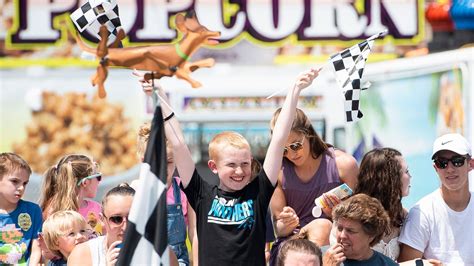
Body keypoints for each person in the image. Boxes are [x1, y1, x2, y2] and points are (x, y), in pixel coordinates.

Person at [141, 67, 320, 265]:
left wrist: (295, 89)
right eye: (231, 164)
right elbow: (179, 144)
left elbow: (278, 140)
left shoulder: (258, 192)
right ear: (213, 166)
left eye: (245, 163)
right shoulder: (202, 194)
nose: (239, 171)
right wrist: (160, 94)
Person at [268, 107, 358, 263]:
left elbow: (360, 218)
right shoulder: (278, 171)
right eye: (283, 150)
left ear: (308, 133)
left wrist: (335, 213)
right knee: (322, 226)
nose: (291, 154)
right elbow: (279, 230)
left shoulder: (344, 165)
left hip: (336, 243)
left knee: (323, 226)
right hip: (291, 247)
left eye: (295, 145)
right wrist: (287, 222)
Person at [399, 133, 474, 265]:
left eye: (457, 161)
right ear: (436, 168)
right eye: (442, 163)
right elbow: (408, 264)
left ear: (471, 164)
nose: (450, 169)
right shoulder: (422, 213)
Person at [131, 122, 197, 266]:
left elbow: (194, 232)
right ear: (143, 161)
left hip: (179, 261)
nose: (163, 168)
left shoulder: (184, 190)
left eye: (168, 162)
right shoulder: (134, 192)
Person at [348, 147, 411, 260]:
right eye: (406, 171)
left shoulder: (403, 215)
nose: (410, 176)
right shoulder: (354, 214)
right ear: (389, 179)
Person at [68, 183, 134, 265]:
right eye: (116, 219)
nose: (125, 227)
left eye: (132, 218)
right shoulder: (83, 254)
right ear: (102, 219)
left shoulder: (152, 249)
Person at [323, 194, 397, 266]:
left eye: (350, 231)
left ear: (371, 236)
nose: (342, 236)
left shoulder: (387, 264)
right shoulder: (319, 257)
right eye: (340, 228)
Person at [40, 154, 103, 235]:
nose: (99, 181)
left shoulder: (97, 208)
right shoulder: (54, 212)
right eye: (98, 177)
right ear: (85, 182)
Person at [0, 152, 42, 265]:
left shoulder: (33, 211)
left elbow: (36, 249)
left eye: (25, 183)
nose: (21, 188)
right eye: (15, 181)